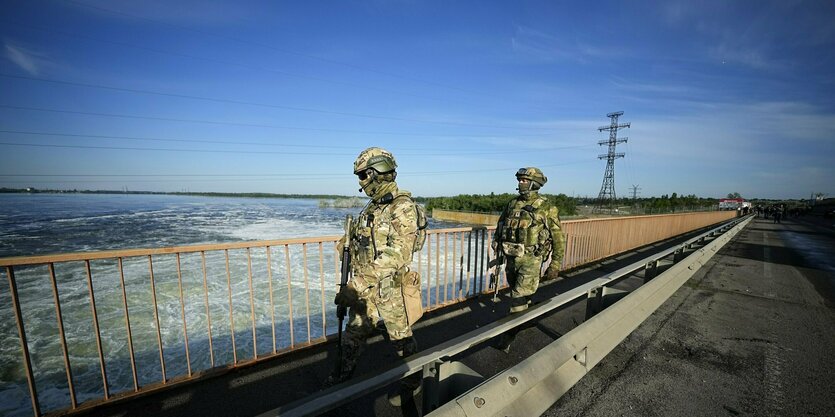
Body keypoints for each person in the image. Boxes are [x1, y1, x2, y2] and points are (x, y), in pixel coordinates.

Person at [326, 147, 422, 406]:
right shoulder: (374, 207)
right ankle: (342, 378)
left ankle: (412, 380)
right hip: (367, 289)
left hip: (389, 290)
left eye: (362, 175)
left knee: (400, 338)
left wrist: (355, 285)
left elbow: (398, 254)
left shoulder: (401, 207)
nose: (360, 182)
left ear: (376, 173)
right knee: (353, 335)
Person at [491, 167, 565, 352]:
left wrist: (555, 264)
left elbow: (558, 238)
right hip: (511, 258)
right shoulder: (512, 204)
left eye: (524, 180)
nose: (520, 183)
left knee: (517, 298)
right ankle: (528, 319)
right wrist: (497, 244)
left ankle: (507, 336)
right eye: (520, 180)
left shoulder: (547, 207)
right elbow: (501, 226)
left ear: (535, 183)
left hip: (531, 260)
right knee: (520, 295)